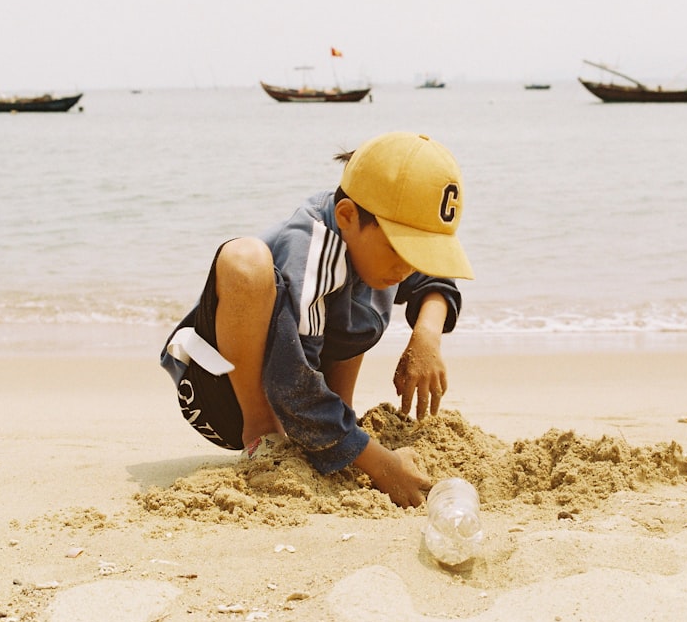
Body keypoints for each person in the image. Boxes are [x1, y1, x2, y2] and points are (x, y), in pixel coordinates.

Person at [160, 131, 473, 508]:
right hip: (219, 392)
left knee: (365, 296)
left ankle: (336, 426)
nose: (407, 267)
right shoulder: (312, 248)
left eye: (418, 250)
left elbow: (435, 280)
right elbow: (292, 386)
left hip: (299, 391)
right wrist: (382, 465)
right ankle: (263, 436)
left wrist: (426, 338)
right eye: (398, 247)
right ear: (347, 217)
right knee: (246, 260)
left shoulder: (372, 240)